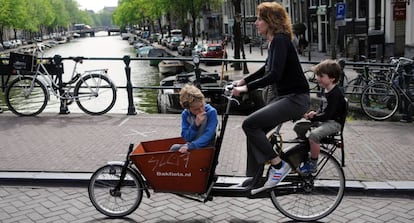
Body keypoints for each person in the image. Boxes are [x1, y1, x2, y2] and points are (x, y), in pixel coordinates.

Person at [232, 2, 310, 189]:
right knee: (254, 130)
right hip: (287, 97)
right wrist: (243, 81)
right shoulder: (276, 41)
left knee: (249, 124)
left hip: (295, 98)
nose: (256, 23)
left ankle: (278, 165)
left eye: (260, 19)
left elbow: (274, 74)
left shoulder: (281, 40)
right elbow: (265, 68)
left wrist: (246, 89)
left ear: (270, 21)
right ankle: (256, 177)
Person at [293, 59, 347, 173]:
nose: (317, 79)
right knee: (299, 127)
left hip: (334, 123)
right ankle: (305, 149)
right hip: (326, 120)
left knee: (314, 135)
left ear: (332, 78)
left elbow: (329, 114)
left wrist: (315, 117)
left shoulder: (335, 94)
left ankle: (313, 164)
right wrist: (315, 113)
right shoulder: (326, 90)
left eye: (321, 76)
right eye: (317, 75)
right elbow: (323, 109)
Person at [170, 84, 218, 153]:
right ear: (188, 109)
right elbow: (187, 137)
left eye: (202, 105)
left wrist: (191, 146)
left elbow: (208, 135)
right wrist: (195, 125)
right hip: (192, 145)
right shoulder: (185, 114)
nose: (201, 110)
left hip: (206, 146)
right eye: (196, 109)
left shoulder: (211, 112)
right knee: (174, 148)